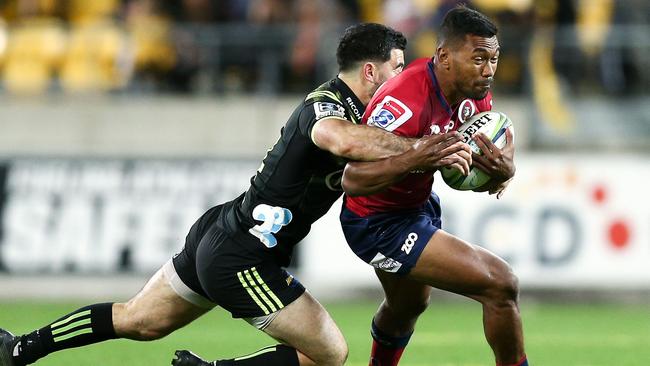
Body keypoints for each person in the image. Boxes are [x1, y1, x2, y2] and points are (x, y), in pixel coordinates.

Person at [0, 23, 471, 366]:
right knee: (329, 354)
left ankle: (21, 347)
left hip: (225, 229)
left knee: (139, 320)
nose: (405, 77)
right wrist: (427, 148)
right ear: (370, 71)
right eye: (397, 67)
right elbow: (342, 142)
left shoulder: (376, 120)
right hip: (245, 256)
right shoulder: (327, 105)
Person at [338, 6, 527, 366]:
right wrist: (417, 158)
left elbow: (467, 164)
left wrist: (502, 170)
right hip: (377, 222)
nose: (488, 71)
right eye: (478, 59)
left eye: (494, 59)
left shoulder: (474, 95)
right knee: (501, 284)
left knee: (407, 305)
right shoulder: (403, 102)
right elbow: (353, 180)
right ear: (444, 56)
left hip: (417, 206)